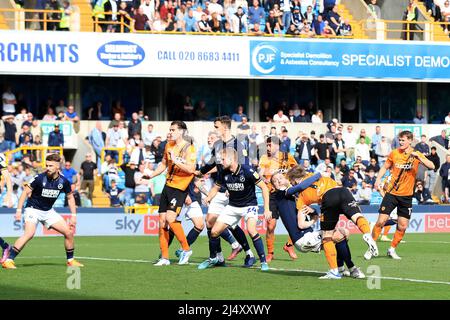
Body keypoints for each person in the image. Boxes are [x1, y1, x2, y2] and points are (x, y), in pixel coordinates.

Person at [287, 165, 377, 279]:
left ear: (295, 179)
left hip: (329, 197)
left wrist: (314, 217)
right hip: (343, 191)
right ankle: (367, 234)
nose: (293, 185)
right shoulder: (314, 175)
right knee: (356, 216)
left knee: (327, 236)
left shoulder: (301, 195)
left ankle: (335, 271)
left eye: (292, 182)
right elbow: (328, 175)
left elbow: (300, 223)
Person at [2, 153, 83, 269]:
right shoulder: (39, 178)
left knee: (69, 233)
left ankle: (70, 260)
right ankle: (9, 260)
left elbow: (70, 197)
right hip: (33, 209)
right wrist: (19, 211)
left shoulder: (64, 182)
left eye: (51, 166)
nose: (48, 168)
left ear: (57, 167)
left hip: (48, 211)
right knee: (29, 233)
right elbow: (25, 192)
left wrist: (74, 216)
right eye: (47, 165)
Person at [368, 131, 435, 260]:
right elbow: (385, 167)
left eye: (403, 140)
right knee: (381, 221)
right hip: (392, 193)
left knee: (403, 225)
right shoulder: (394, 153)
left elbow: (432, 166)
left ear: (410, 141)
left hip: (407, 196)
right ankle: (371, 248)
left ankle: (392, 249)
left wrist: (419, 157)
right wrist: (377, 179)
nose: (401, 142)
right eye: (400, 140)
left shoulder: (416, 154)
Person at [200, 148, 271, 272]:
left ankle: (263, 261)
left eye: (223, 159)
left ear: (231, 159)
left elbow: (264, 188)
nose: (220, 162)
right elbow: (216, 188)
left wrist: (266, 209)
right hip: (232, 206)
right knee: (214, 231)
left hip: (249, 205)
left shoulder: (248, 171)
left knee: (251, 229)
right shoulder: (223, 172)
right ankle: (214, 259)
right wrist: (208, 198)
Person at [195, 116, 252, 265]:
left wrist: (232, 187)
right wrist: (199, 172)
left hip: (234, 190)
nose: (214, 129)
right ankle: (218, 256)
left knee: (231, 225)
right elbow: (211, 163)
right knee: (210, 222)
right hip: (219, 187)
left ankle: (248, 253)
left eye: (216, 126)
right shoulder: (218, 145)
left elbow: (243, 168)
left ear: (225, 128)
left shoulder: (239, 144)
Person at [147, 121, 196, 266]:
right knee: (162, 222)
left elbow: (191, 169)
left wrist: (176, 161)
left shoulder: (189, 148)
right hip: (167, 186)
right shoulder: (169, 145)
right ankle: (165, 258)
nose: (170, 132)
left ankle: (186, 249)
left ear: (181, 132)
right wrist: (151, 175)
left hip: (179, 188)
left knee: (170, 218)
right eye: (170, 129)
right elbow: (163, 163)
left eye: (173, 130)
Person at [258, 136, 298, 262]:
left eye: (270, 145)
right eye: (267, 145)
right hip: (272, 195)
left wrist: (291, 182)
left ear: (277, 145)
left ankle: (289, 246)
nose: (268, 147)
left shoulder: (287, 157)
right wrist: (264, 179)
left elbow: (297, 170)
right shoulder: (265, 158)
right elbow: (259, 173)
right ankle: (270, 253)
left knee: (294, 223)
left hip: (286, 193)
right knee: (271, 225)